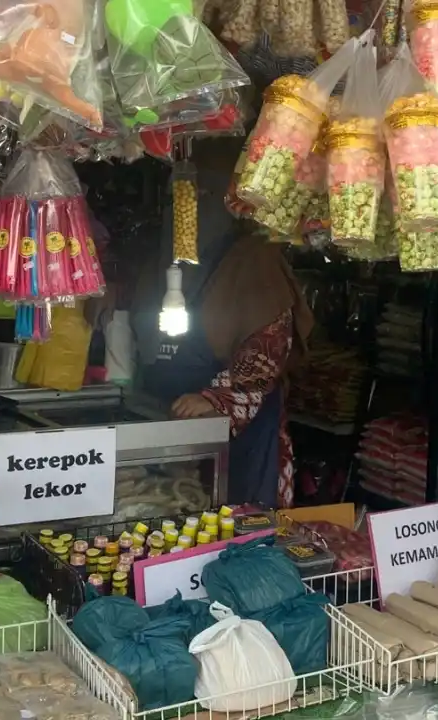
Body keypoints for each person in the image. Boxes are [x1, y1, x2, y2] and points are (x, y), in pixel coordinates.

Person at [133, 141, 315, 509]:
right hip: (170, 419)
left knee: (240, 524)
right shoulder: (164, 258)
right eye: (179, 196)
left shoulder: (254, 259)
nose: (187, 208)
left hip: (239, 433)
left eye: (203, 194)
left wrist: (215, 399)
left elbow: (268, 348)